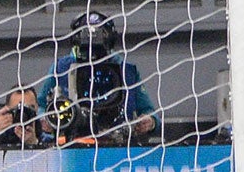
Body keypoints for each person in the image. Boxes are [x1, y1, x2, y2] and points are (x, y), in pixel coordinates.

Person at [36, 12, 157, 145]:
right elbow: (41, 106)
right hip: (71, 147)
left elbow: (150, 112)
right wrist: (45, 120)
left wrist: (150, 122)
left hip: (120, 146)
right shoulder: (61, 68)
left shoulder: (126, 71)